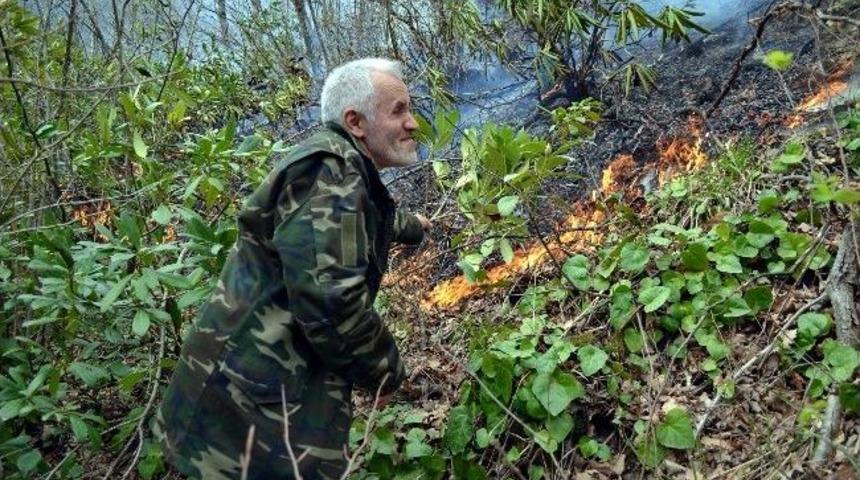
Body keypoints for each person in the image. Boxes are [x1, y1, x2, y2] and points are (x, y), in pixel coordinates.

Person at [155, 58, 431, 479]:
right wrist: (389, 373)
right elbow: (332, 304)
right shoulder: (330, 172)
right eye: (398, 111)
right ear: (355, 122)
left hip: (247, 391)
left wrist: (413, 228)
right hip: (249, 408)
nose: (413, 123)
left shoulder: (337, 166)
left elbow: (355, 223)